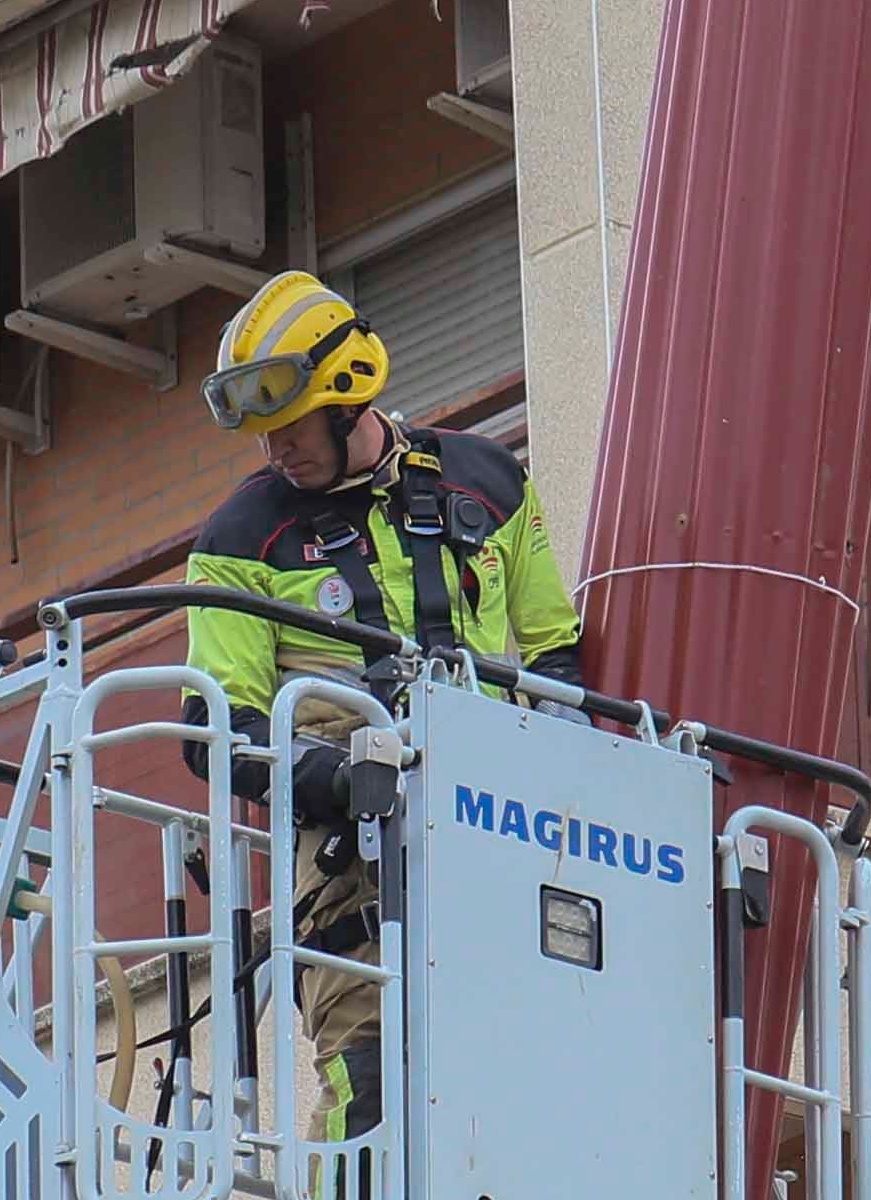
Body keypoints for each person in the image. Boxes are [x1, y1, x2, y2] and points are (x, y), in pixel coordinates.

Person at [178, 269, 584, 1150]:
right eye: (260, 433)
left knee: (531, 1109)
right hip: (351, 883)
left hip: (503, 847)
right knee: (369, 1101)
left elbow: (555, 653)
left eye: (289, 426)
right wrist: (341, 778)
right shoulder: (238, 541)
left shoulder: (486, 481)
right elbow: (220, 735)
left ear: (350, 396)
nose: (274, 451)